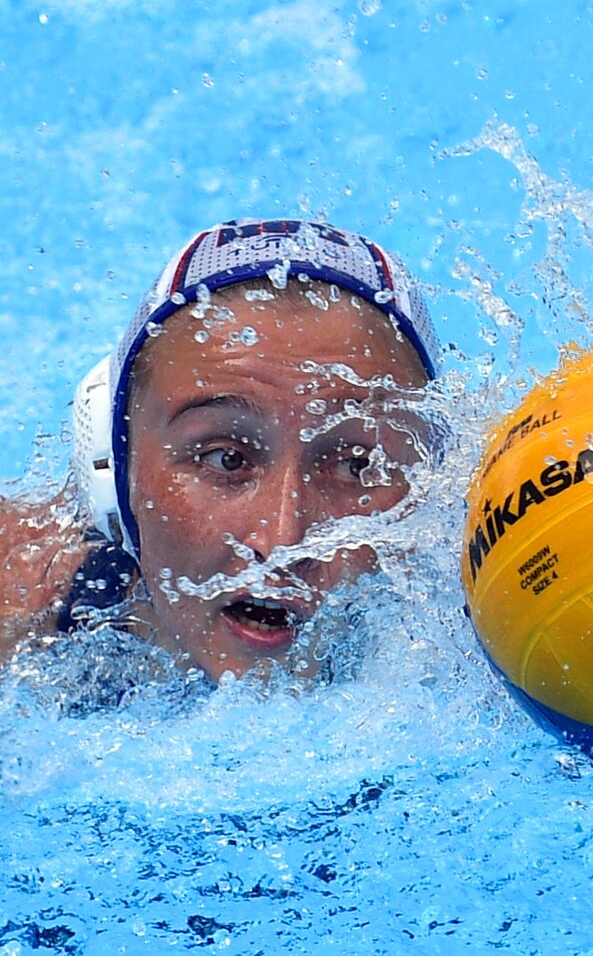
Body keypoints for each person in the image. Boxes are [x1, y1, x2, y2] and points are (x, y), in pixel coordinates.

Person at [0, 219, 439, 683]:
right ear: (112, 468)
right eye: (226, 459)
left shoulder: (499, 608)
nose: (283, 543)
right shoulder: (24, 600)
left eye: (356, 466)